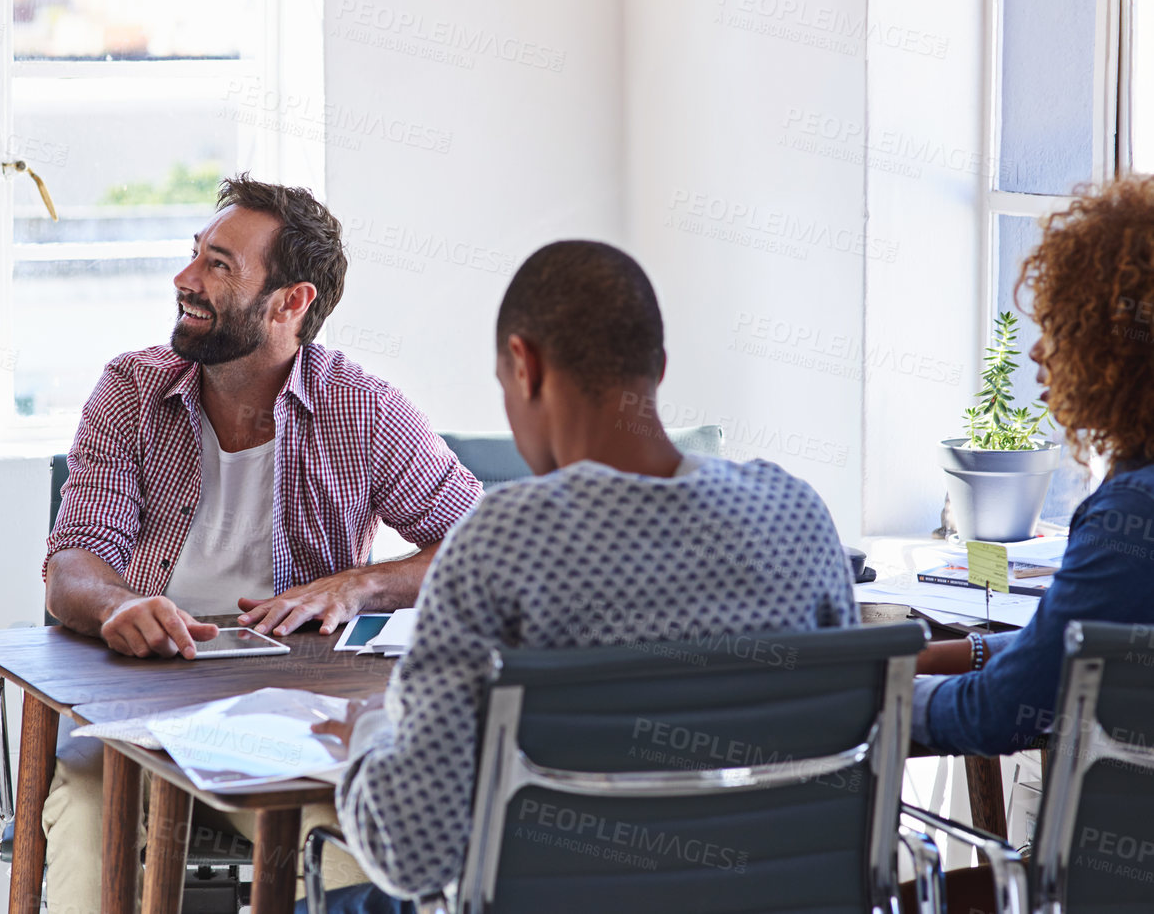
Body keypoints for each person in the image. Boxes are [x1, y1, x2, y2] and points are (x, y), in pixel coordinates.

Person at [318, 240, 859, 906]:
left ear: (524, 366)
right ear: (658, 369)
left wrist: (372, 730)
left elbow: (412, 850)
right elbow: (841, 740)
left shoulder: (500, 539)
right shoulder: (796, 515)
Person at [39, 175, 483, 914]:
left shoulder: (360, 407)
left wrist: (359, 584)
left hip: (293, 730)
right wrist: (118, 604)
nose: (185, 280)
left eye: (219, 265)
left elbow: (481, 546)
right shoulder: (129, 389)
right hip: (144, 720)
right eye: (194, 256)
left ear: (291, 302)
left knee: (354, 830)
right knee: (86, 809)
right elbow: (73, 562)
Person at [913, 177, 1154, 756]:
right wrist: (965, 653)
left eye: (1056, 327)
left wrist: (868, 695)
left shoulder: (1132, 512)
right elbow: (1076, 645)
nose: (1036, 351)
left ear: (1120, 348)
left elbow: (997, 715)